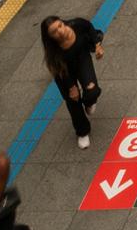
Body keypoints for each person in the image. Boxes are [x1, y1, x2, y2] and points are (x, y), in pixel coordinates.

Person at [40, 15, 103, 147]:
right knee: (73, 100)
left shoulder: (77, 24)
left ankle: (89, 103)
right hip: (64, 71)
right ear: (50, 37)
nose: (60, 31)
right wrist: (71, 87)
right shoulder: (53, 50)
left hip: (82, 58)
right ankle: (82, 131)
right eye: (54, 32)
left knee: (92, 90)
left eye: (60, 26)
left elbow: (89, 27)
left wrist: (97, 46)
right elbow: (59, 69)